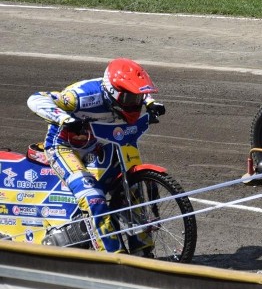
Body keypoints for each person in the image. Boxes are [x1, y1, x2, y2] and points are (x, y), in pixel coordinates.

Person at [27, 58, 166, 253]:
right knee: (93, 198)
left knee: (131, 188)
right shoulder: (83, 95)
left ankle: (143, 251)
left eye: (136, 99)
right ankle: (112, 258)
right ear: (112, 92)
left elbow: (139, 94)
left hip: (101, 143)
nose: (134, 104)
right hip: (65, 148)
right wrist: (65, 118)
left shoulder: (126, 95)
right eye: (129, 99)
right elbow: (36, 98)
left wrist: (151, 103)